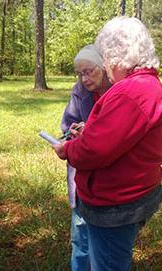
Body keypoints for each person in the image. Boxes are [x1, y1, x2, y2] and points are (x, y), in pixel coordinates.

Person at [54, 16, 162, 271]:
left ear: (117, 55)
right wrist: (89, 131)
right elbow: (121, 138)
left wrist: (67, 149)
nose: (104, 64)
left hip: (115, 203)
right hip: (131, 192)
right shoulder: (147, 86)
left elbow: (94, 150)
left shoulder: (129, 92)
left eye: (104, 58)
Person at [60, 44, 111, 271]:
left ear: (104, 68)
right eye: (80, 74)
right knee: (80, 238)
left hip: (108, 179)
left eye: (89, 71)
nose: (84, 78)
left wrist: (90, 132)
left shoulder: (117, 91)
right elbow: (66, 127)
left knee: (106, 245)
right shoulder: (79, 91)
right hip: (81, 175)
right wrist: (72, 133)